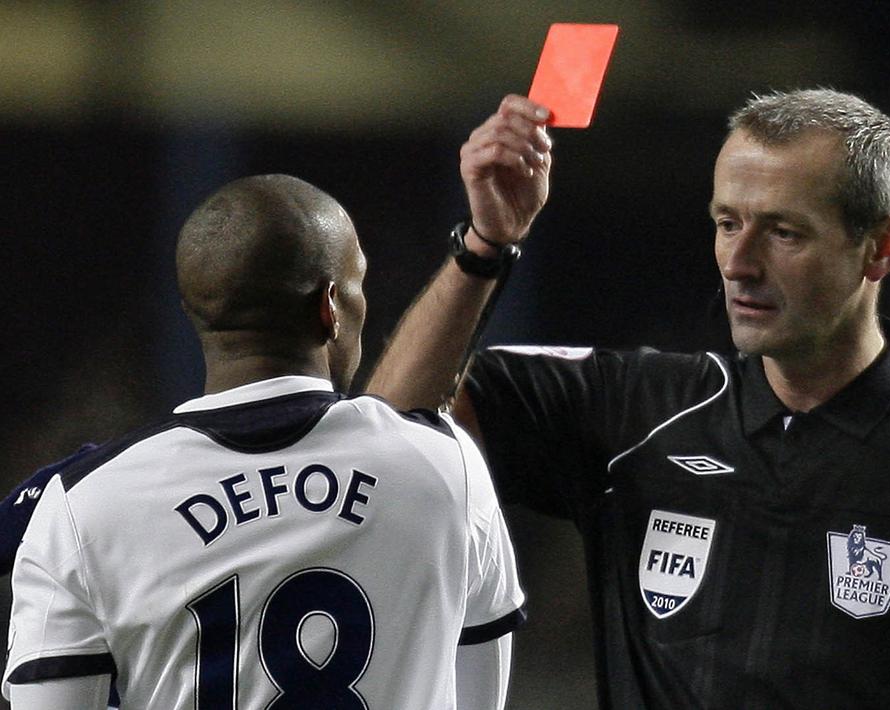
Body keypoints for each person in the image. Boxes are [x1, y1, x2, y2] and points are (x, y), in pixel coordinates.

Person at [367, 91, 890, 708]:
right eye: (726, 223)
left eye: (783, 232)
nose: (737, 262)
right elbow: (388, 433)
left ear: (882, 247)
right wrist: (485, 244)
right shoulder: (637, 409)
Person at [3, 175, 524, 709]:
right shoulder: (446, 465)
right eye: (357, 283)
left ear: (197, 314)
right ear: (330, 308)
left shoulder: (82, 505)